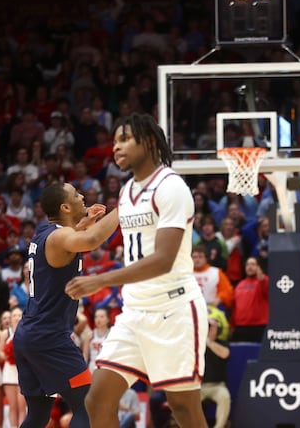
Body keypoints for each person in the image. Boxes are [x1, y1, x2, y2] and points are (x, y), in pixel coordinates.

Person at [65, 113, 208, 428]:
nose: (116, 147)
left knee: (183, 408)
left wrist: (100, 280)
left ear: (150, 141)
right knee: (97, 400)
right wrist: (66, 229)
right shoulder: (128, 191)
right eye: (114, 141)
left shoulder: (172, 187)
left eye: (124, 139)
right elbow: (90, 238)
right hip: (135, 313)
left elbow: (164, 259)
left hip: (174, 309)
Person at [13, 181, 117, 428]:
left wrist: (83, 223)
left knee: (38, 415)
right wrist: (123, 206)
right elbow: (91, 240)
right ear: (65, 207)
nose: (83, 197)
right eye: (76, 195)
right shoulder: (61, 237)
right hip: (50, 337)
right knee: (88, 407)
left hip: (30, 335)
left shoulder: (45, 232)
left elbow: (76, 234)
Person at [0, 306, 26, 428]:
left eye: (19, 315)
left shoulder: (27, 332)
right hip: (9, 371)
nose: (16, 317)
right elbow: (0, 353)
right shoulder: (5, 333)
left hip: (23, 372)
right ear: (10, 318)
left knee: (22, 407)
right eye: (14, 315)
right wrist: (8, 354)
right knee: (12, 407)